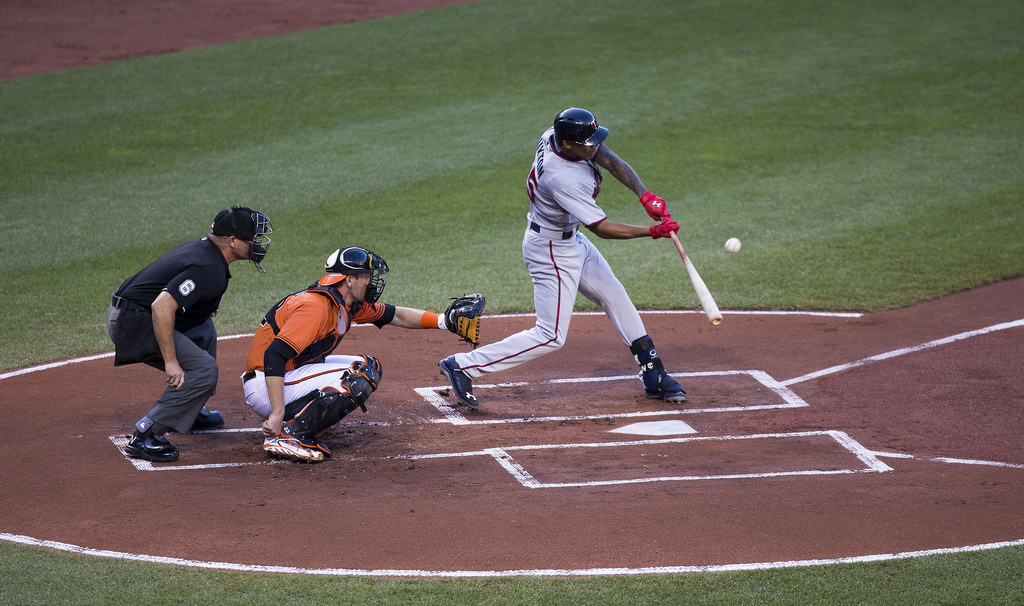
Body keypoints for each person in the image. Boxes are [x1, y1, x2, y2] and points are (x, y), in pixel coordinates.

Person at [439, 107, 687, 409]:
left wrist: (645, 195)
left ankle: (653, 372)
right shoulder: (562, 179)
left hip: (569, 240)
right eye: (587, 142)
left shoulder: (555, 137)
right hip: (551, 251)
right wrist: (652, 231)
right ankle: (464, 365)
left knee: (615, 295)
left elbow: (609, 158)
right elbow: (603, 228)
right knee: (550, 334)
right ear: (568, 144)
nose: (594, 146)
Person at [242, 246, 484, 463]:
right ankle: (289, 435)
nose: (371, 281)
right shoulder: (315, 308)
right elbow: (274, 355)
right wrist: (277, 413)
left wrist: (444, 321)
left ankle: (310, 420)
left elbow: (396, 315)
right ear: (349, 280)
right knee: (359, 375)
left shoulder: (344, 304)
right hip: (267, 382)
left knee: (368, 365)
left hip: (287, 375)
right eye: (367, 276)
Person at [108, 205, 273, 462]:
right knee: (205, 370)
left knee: (204, 331)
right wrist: (172, 362)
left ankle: (190, 408)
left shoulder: (207, 252)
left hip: (132, 312)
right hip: (132, 322)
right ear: (232, 241)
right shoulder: (207, 267)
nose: (257, 244)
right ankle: (145, 434)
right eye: (252, 239)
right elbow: (161, 306)